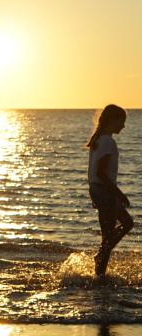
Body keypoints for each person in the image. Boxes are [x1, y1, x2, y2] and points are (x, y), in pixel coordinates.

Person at [87, 104, 133, 277]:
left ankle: (100, 266)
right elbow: (101, 173)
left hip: (99, 190)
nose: (123, 126)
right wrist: (119, 193)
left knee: (126, 224)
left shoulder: (100, 139)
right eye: (122, 122)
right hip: (104, 191)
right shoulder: (107, 141)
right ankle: (99, 273)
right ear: (113, 120)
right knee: (110, 235)